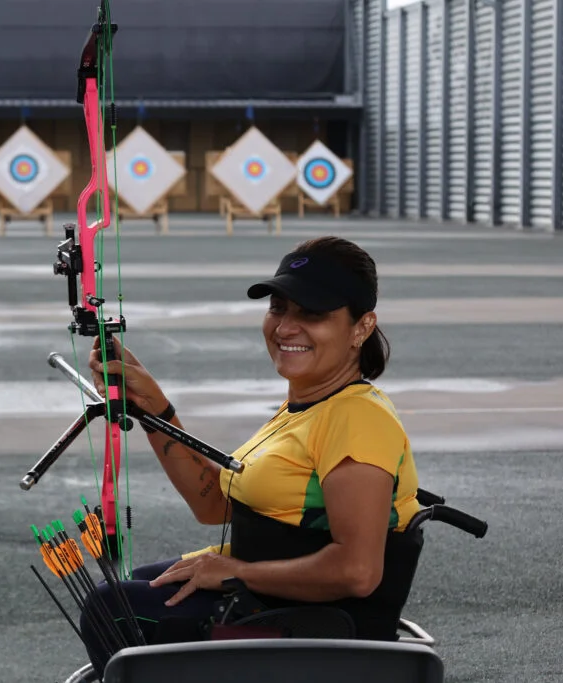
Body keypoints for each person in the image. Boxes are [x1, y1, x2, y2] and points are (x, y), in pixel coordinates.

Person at [80, 236, 423, 676]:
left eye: (312, 313)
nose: (285, 327)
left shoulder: (356, 418)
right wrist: (154, 409)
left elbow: (357, 571)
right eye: (278, 307)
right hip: (278, 606)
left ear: (361, 326)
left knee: (113, 609)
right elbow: (213, 506)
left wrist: (235, 571)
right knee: (138, 583)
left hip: (311, 630)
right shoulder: (311, 405)